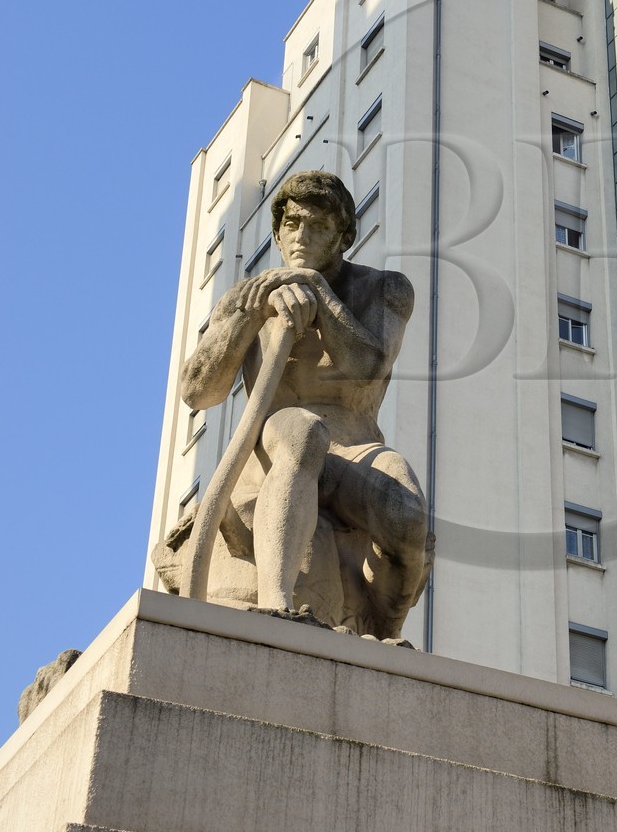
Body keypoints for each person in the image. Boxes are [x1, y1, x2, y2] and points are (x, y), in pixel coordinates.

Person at [180, 171, 431, 637]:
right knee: (302, 431)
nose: (302, 237)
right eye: (292, 225)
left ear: (344, 237)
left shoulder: (385, 289)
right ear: (277, 234)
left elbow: (368, 367)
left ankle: (386, 631)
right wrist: (251, 313)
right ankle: (277, 603)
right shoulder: (245, 298)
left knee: (407, 518)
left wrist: (317, 291)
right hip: (274, 442)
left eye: (318, 227)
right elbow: (198, 391)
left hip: (355, 446)